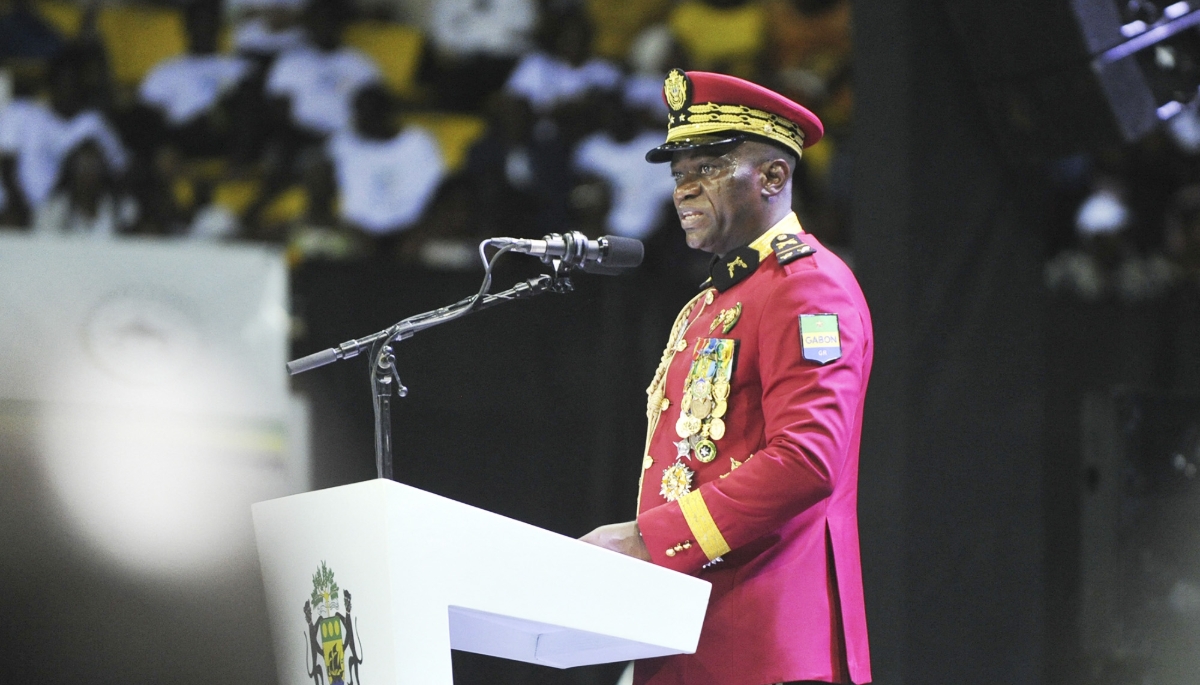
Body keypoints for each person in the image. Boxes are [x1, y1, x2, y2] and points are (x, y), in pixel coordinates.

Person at [580, 69, 873, 685]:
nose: (684, 189)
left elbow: (806, 460)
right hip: (688, 635)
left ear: (773, 177)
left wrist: (648, 540)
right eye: (678, 173)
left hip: (766, 646)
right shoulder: (712, 301)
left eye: (707, 168)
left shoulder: (807, 287)